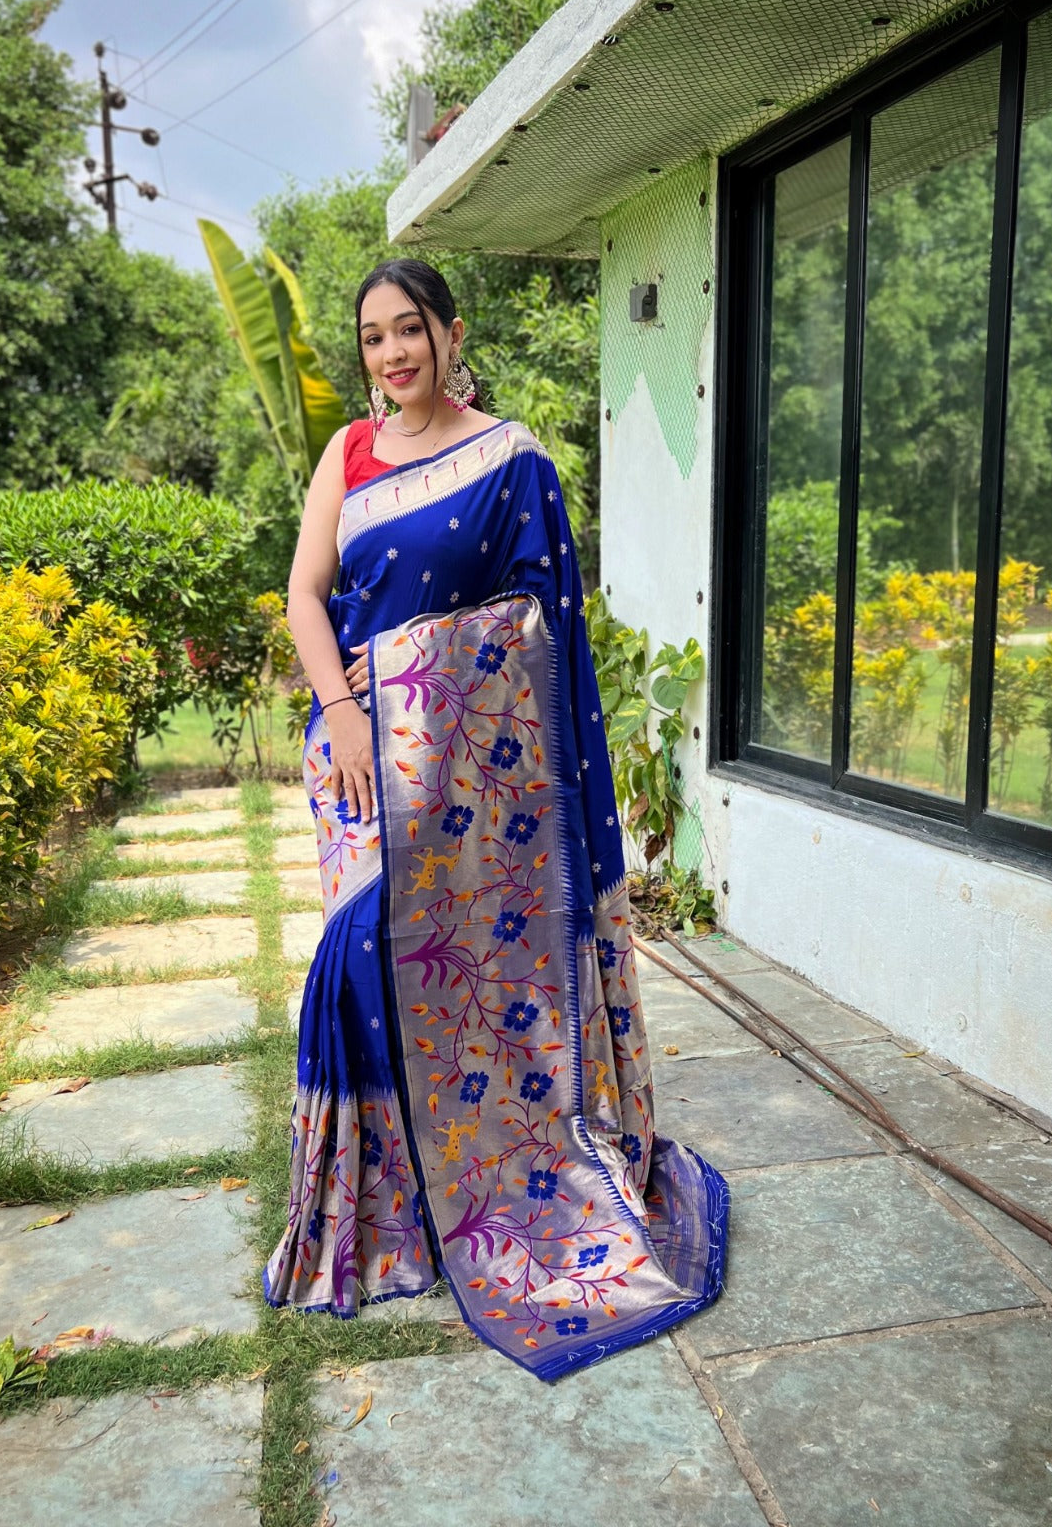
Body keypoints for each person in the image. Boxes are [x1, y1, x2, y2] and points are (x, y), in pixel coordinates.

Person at [263, 258, 729, 1380]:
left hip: (476, 779)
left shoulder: (510, 456)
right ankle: (377, 1212)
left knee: (455, 972)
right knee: (359, 959)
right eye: (372, 337)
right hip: (364, 758)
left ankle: (472, 1189)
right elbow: (305, 596)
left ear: (449, 333)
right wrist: (347, 711)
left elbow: (541, 625)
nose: (391, 355)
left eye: (408, 330)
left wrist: (433, 698)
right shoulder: (351, 454)